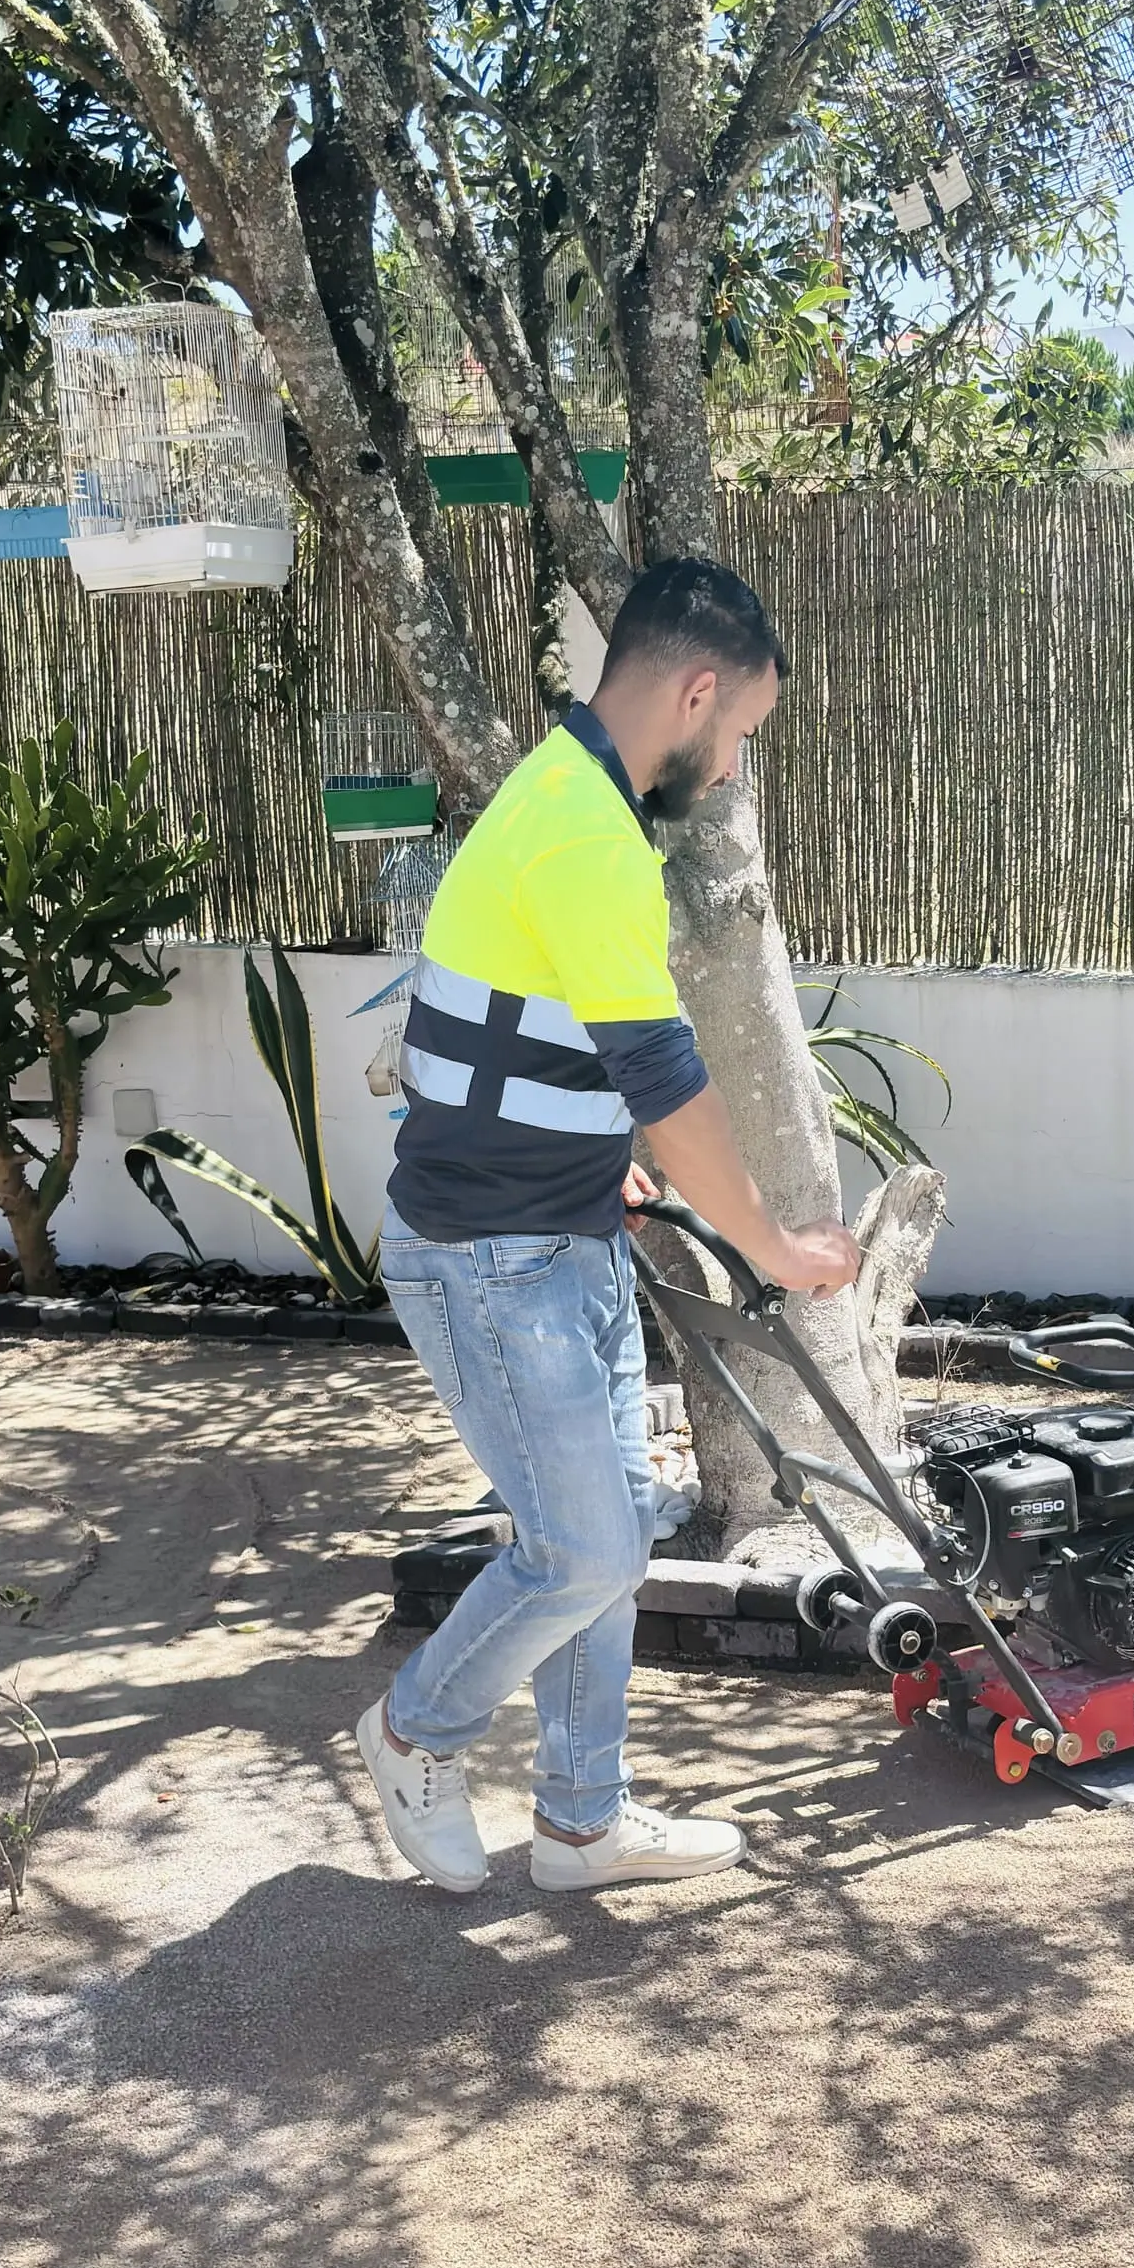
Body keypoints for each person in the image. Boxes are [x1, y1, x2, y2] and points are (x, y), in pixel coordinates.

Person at [354, 554, 860, 1896]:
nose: (738, 764)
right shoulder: (588, 835)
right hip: (489, 1256)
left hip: (556, 1228)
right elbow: (667, 1081)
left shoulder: (565, 797)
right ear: (696, 691)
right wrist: (772, 1245)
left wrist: (600, 1162)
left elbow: (537, 1037)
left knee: (601, 1535)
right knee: (587, 1547)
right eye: (742, 731)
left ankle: (580, 1821)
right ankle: (414, 1731)